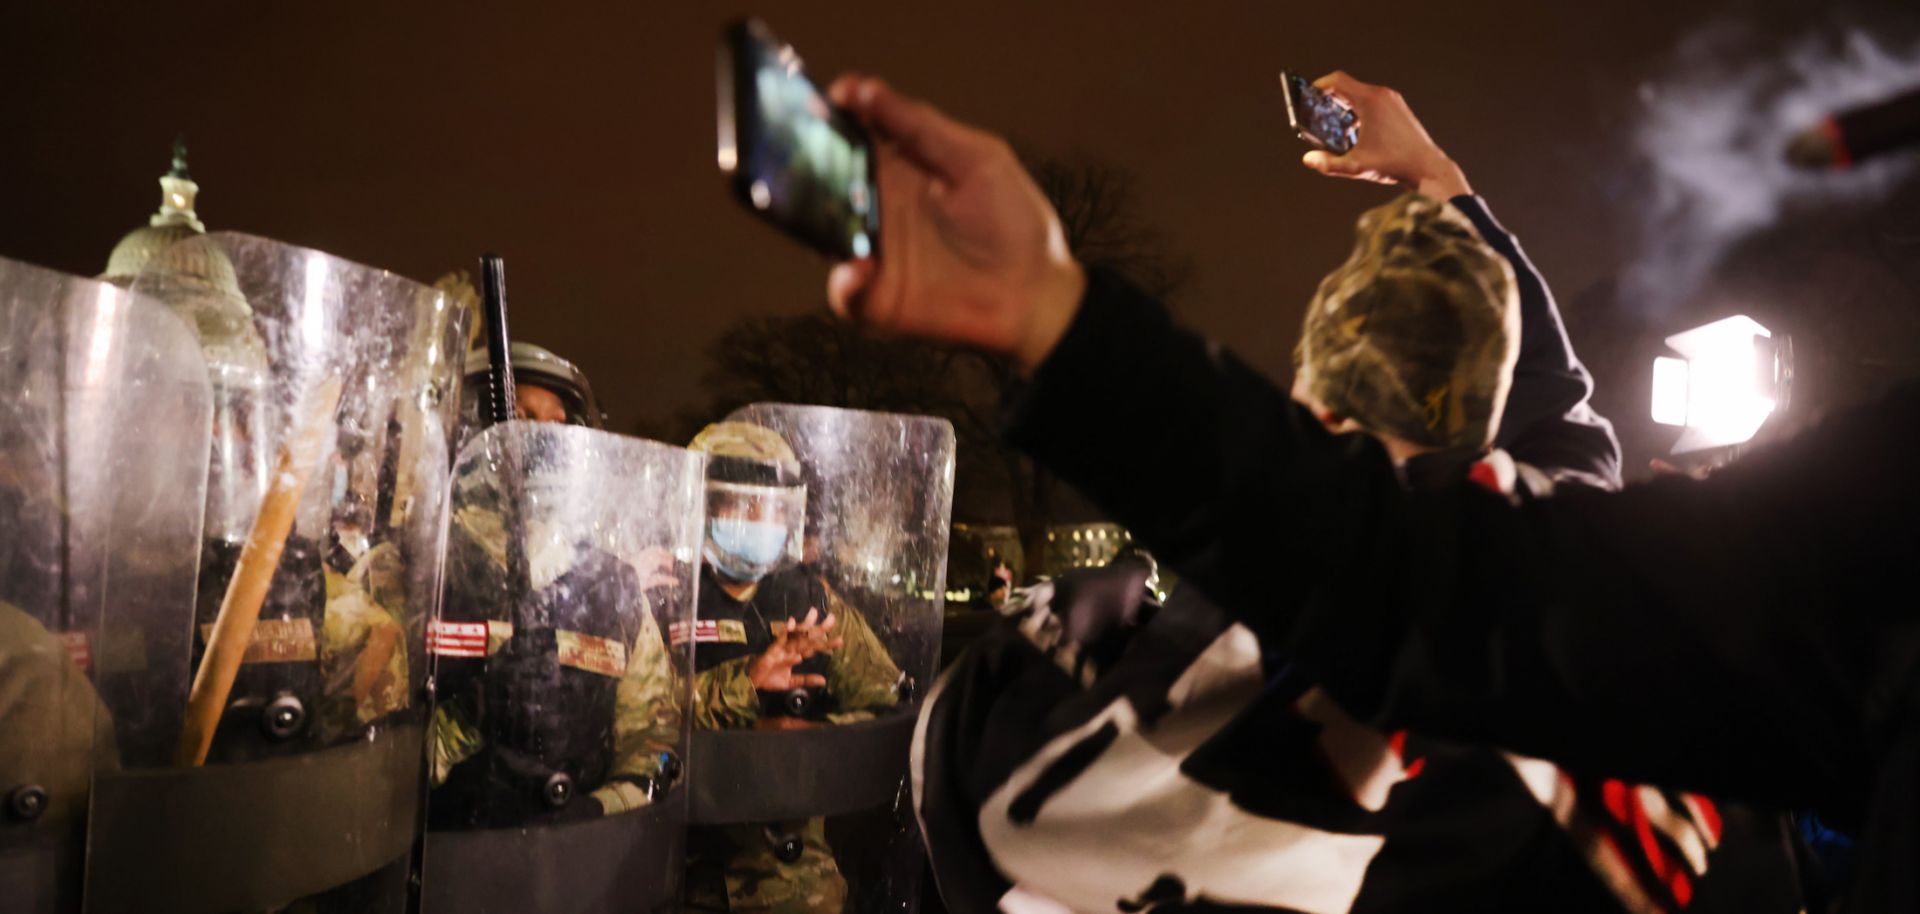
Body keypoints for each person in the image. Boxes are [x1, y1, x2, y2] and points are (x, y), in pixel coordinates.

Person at [813, 67, 1920, 910]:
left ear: (1312, 409)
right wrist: (1448, 189)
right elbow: (1560, 433)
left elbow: (1403, 554)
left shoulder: (1093, 669)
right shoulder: (1608, 587)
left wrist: (1057, 318)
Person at [430, 350, 683, 826]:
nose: (544, 439)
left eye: (558, 427)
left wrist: (594, 812)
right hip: (447, 864)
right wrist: (473, 715)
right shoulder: (420, 570)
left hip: (576, 870)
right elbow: (369, 762)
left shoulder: (611, 588)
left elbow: (654, 740)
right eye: (521, 420)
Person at [682, 420, 906, 914]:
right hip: (675, 872)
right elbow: (627, 724)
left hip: (792, 882)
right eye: (740, 505)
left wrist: (808, 738)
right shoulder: (662, 598)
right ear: (701, 507)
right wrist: (745, 688)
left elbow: (891, 707)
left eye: (773, 510)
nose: (758, 522)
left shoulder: (812, 602)